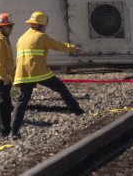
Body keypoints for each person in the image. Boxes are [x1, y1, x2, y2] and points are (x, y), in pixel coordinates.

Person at [10, 11, 85, 140]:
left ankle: (14, 132)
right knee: (61, 87)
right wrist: (74, 48)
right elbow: (58, 45)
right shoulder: (41, 36)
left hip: (22, 74)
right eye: (45, 26)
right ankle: (77, 111)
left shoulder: (21, 38)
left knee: (22, 101)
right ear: (41, 25)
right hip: (38, 71)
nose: (45, 29)